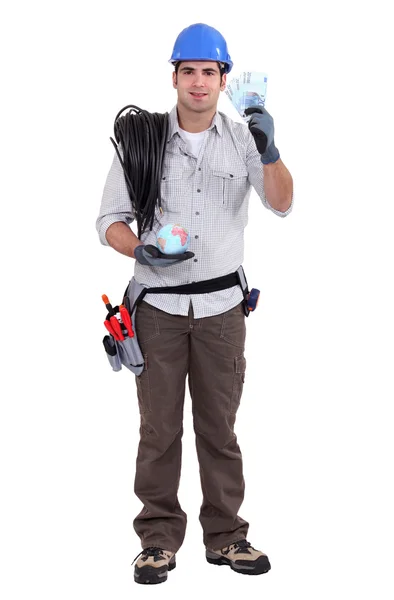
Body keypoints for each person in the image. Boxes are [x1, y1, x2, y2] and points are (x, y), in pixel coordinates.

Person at [96, 22, 293, 585]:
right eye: (190, 72)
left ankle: (228, 536)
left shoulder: (243, 139)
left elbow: (281, 204)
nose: (200, 83)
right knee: (158, 430)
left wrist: (272, 151)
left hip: (222, 313)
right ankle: (156, 541)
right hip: (155, 311)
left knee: (219, 428)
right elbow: (108, 220)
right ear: (175, 77)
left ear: (225, 79)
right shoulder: (144, 140)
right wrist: (142, 250)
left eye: (210, 72)